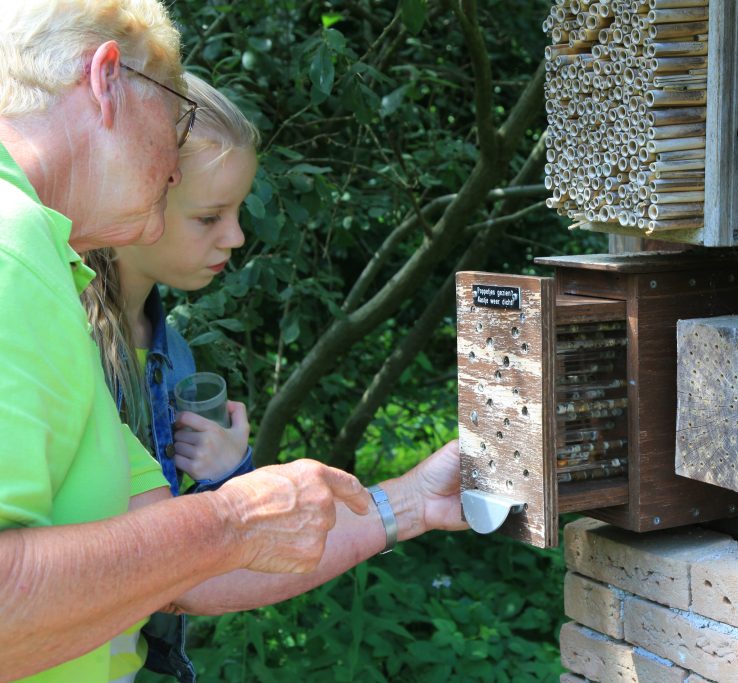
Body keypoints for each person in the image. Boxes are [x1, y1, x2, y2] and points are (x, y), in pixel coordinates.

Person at [0, 3, 464, 682]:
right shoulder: (10, 249)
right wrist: (230, 518)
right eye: (177, 114)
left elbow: (179, 569)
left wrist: (413, 500)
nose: (171, 162)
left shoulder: (46, 264)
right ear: (107, 80)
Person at [80, 72, 260, 682]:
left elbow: (190, 563)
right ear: (135, 196)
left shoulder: (174, 356)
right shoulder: (58, 339)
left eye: (237, 211)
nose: (236, 236)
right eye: (209, 217)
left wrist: (228, 475)